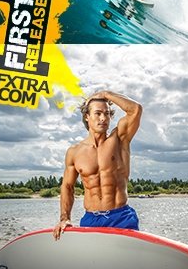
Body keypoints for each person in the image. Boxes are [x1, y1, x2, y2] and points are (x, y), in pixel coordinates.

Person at [53, 90, 142, 238]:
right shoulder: (74, 152)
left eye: (107, 114)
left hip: (121, 217)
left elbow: (135, 109)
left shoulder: (119, 139)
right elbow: (67, 186)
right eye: (98, 113)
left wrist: (106, 94)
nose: (103, 118)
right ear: (87, 117)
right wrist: (65, 218)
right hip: (91, 219)